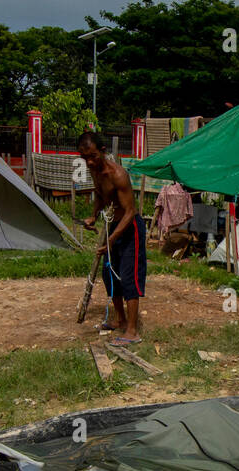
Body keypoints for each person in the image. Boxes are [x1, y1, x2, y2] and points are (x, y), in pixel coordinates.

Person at [77, 130, 146, 344]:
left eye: (92, 156)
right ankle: (119, 320)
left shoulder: (118, 175)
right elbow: (100, 194)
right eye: (84, 158)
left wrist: (112, 240)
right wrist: (93, 215)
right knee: (110, 275)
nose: (88, 162)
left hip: (130, 228)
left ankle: (132, 331)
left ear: (103, 152)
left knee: (128, 277)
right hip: (112, 227)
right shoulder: (95, 171)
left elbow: (130, 211)